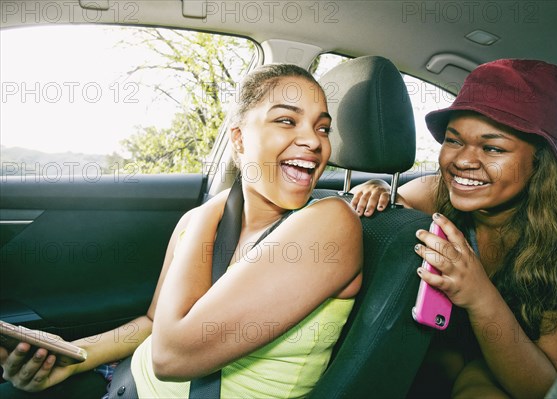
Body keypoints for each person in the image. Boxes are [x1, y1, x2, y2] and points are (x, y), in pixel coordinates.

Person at [0, 64, 363, 398]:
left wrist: (210, 210)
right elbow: (154, 322)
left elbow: (171, 356)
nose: (315, 142)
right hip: (124, 381)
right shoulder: (198, 224)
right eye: (287, 121)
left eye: (322, 128)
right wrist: (75, 356)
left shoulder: (329, 222)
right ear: (238, 139)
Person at [350, 59, 557, 398]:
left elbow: (550, 389)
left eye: (493, 147)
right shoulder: (433, 194)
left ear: (541, 161)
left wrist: (479, 296)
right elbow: (390, 204)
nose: (463, 161)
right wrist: (376, 189)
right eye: (454, 140)